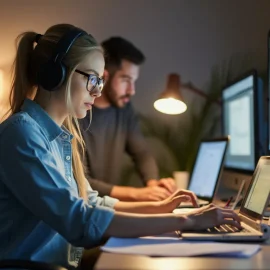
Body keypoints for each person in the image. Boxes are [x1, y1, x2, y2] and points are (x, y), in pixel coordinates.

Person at [0, 24, 241, 270]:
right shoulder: (22, 135)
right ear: (57, 74)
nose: (96, 92)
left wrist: (159, 208)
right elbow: (79, 220)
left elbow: (90, 202)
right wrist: (186, 221)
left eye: (100, 82)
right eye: (93, 79)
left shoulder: (60, 136)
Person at [79, 37, 177, 201]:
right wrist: (136, 193)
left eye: (134, 81)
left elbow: (142, 152)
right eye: (126, 80)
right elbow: (80, 181)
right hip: (87, 212)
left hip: (110, 209)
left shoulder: (124, 109)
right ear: (104, 76)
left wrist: (153, 185)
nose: (132, 91)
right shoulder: (78, 111)